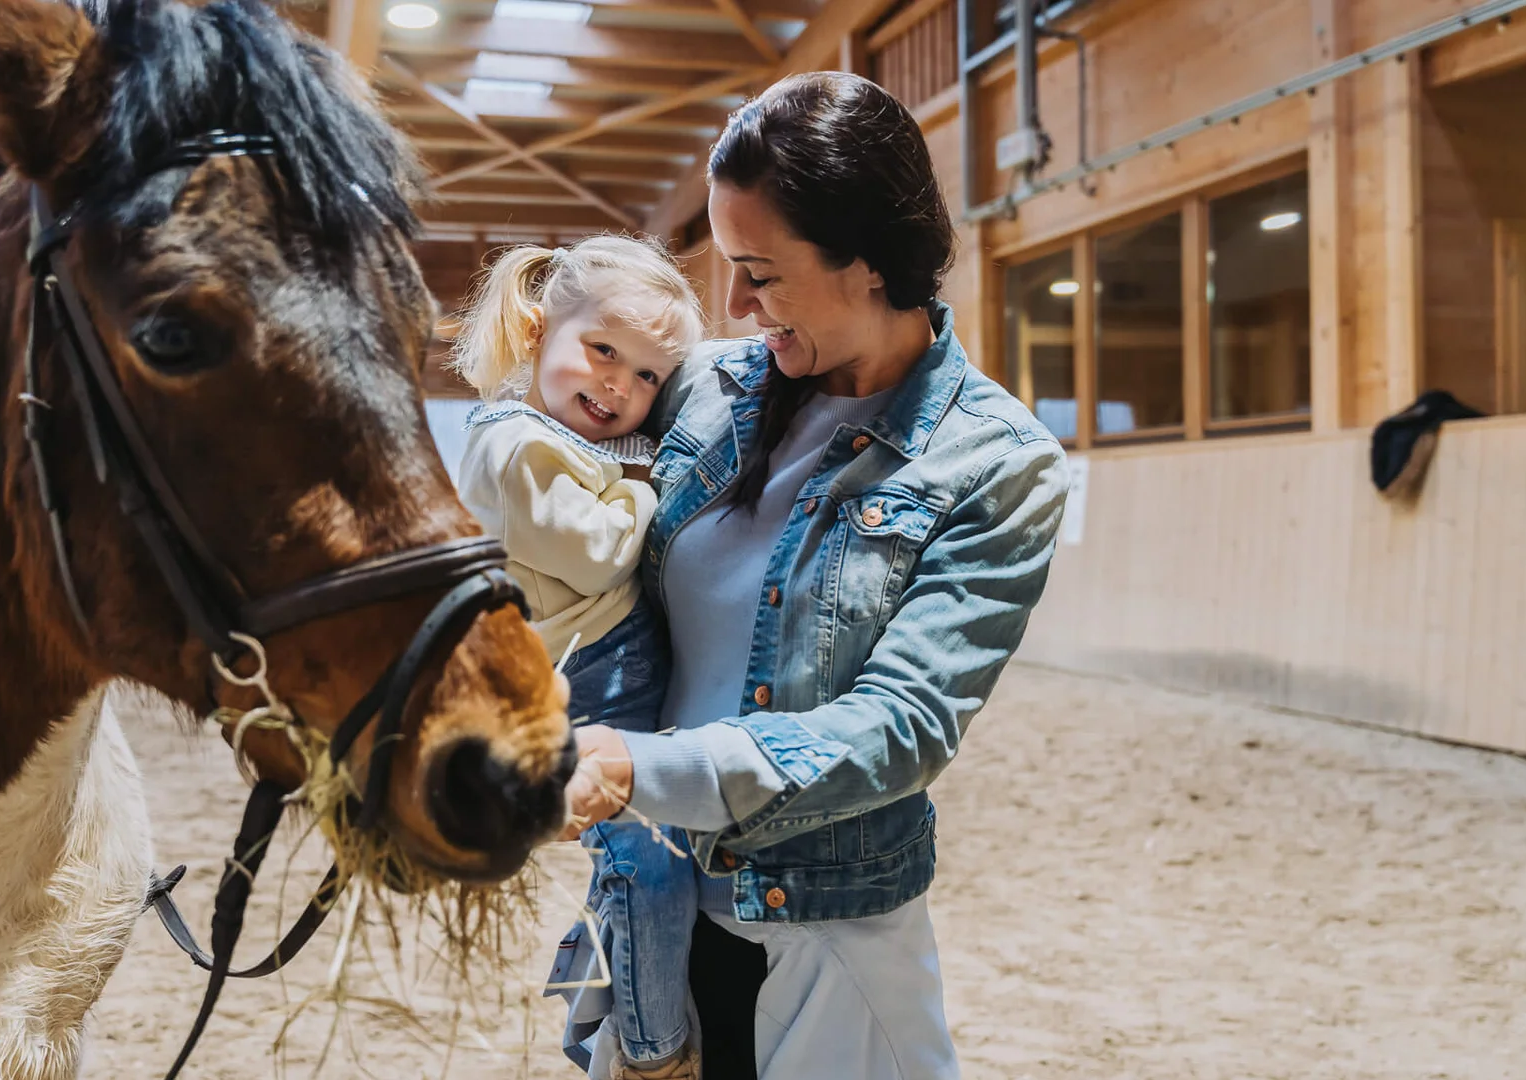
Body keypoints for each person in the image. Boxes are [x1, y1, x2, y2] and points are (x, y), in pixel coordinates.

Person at [557, 72, 1070, 1080]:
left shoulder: (995, 463)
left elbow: (901, 727)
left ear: (870, 264)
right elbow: (540, 444)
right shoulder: (706, 386)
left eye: (761, 273)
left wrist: (636, 768)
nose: (736, 306)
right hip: (649, 904)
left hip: (823, 935)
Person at [448, 236, 710, 1080]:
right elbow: (597, 553)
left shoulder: (552, 436)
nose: (618, 386)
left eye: (646, 377)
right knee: (649, 859)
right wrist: (645, 488)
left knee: (640, 857)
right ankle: (651, 1049)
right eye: (604, 350)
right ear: (535, 330)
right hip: (594, 668)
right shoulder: (516, 445)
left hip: (613, 655)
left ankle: (598, 987)